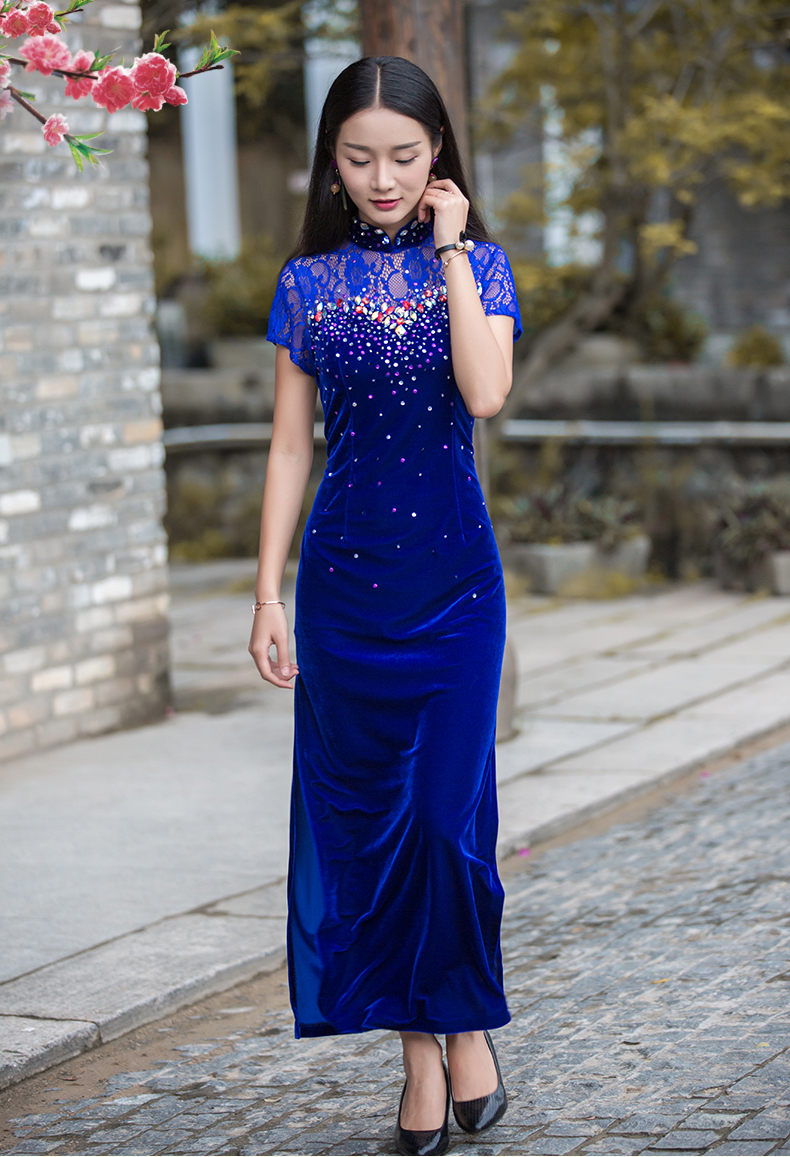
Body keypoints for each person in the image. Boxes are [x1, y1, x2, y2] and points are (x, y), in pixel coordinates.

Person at [249, 54, 522, 1157]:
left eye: (403, 155)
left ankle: (464, 1024)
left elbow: (486, 392)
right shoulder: (307, 283)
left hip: (455, 592)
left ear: (437, 154)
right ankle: (424, 1051)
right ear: (332, 161)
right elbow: (287, 448)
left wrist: (450, 249)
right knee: (371, 831)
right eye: (359, 157)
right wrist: (264, 590)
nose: (382, 177)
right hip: (344, 597)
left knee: (447, 823)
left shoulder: (481, 264)